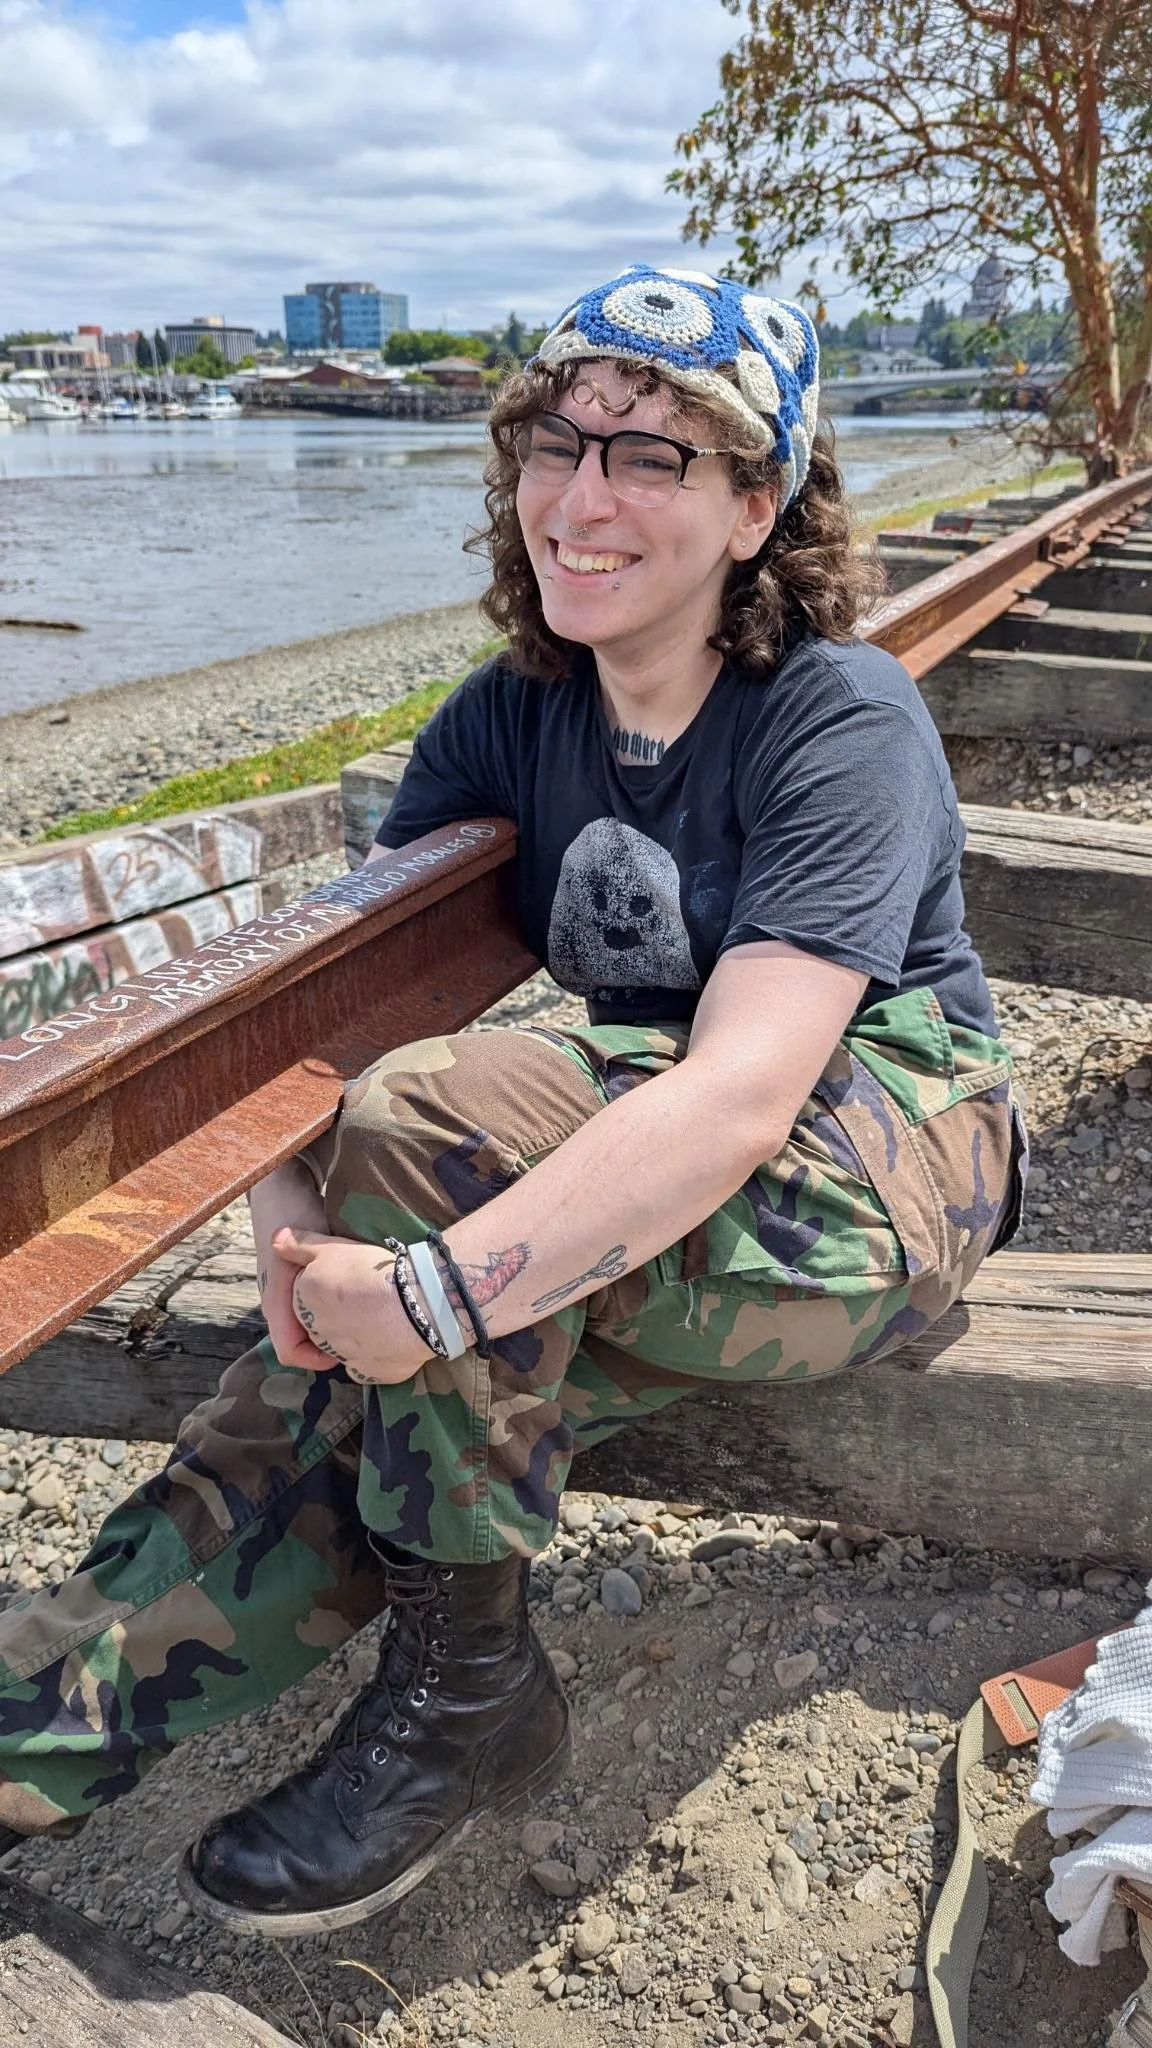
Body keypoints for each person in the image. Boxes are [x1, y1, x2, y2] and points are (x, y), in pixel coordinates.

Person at [0, 262, 1026, 1938]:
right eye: (557, 442)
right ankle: (25, 1744)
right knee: (313, 1403)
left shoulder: (842, 715)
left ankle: (464, 1697)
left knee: (423, 1167)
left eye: (654, 458)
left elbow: (744, 1091)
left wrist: (424, 1288)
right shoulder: (509, 715)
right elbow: (321, 1025)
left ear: (759, 504)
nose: (582, 496)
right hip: (649, 1138)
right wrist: (294, 1244)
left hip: (881, 1154)